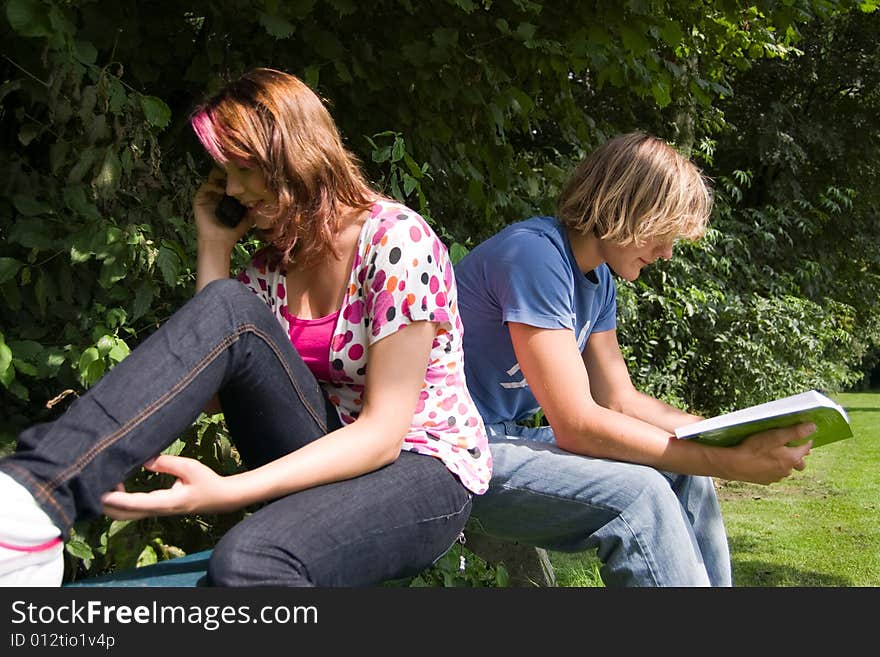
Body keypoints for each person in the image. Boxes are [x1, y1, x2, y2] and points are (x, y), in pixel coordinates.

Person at [0, 67, 490, 587]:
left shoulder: (397, 242)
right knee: (229, 305)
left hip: (420, 466)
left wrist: (229, 490)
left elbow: (383, 435)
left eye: (243, 168)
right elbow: (214, 393)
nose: (231, 188)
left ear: (292, 156)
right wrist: (214, 246)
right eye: (224, 171)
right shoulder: (271, 267)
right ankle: (35, 499)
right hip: (327, 445)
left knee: (247, 562)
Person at [453, 132, 815, 587]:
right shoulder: (534, 256)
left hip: (496, 439)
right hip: (450, 447)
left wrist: (725, 437)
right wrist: (727, 463)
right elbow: (577, 424)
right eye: (663, 232)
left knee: (687, 478)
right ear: (621, 206)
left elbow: (619, 400)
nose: (666, 252)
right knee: (640, 497)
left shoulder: (598, 281)